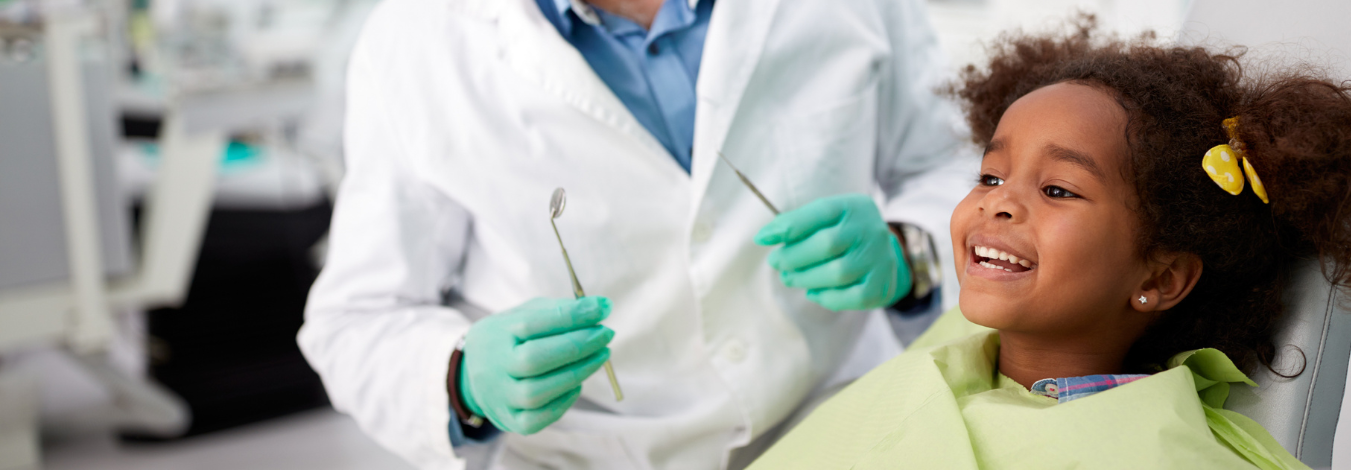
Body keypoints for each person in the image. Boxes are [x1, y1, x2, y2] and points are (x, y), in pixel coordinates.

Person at [296, 0, 974, 467]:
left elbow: (960, 166)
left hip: (841, 423)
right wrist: (462, 376)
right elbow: (355, 320)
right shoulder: (419, 40)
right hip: (586, 455)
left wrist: (910, 249)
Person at [746, 18, 1351, 469]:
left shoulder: (1160, 453)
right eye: (989, 173)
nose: (998, 201)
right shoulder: (951, 348)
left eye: (1057, 190)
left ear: (1161, 279)